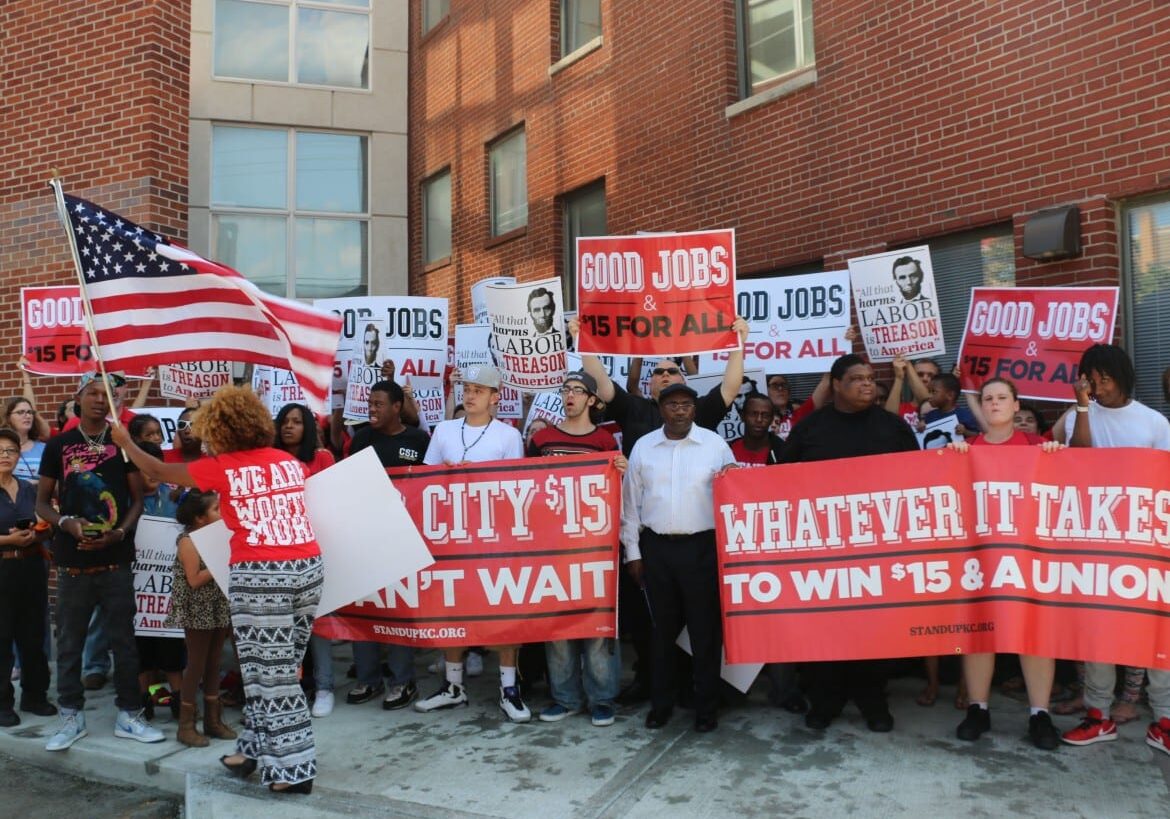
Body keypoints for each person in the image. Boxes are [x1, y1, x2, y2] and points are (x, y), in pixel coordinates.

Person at [111, 386, 323, 793]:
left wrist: (125, 443)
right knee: (268, 672)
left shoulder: (222, 467)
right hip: (308, 570)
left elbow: (156, 472)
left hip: (262, 576)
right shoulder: (289, 462)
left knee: (273, 679)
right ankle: (251, 752)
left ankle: (296, 770)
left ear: (221, 430)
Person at [571, 315, 748, 706]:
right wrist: (583, 339)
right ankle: (654, 690)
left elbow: (732, 385)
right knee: (651, 627)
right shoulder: (634, 410)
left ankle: (700, 697)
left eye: (674, 370)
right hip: (651, 544)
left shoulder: (700, 418)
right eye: (659, 371)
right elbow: (600, 382)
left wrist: (739, 340)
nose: (666, 375)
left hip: (699, 545)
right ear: (650, 387)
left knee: (701, 627)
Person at [782, 354, 920, 732]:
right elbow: (779, 483)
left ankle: (873, 701)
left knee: (873, 632)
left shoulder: (892, 428)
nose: (867, 385)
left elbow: (920, 479)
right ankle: (825, 700)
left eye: (871, 379)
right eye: (857, 379)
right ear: (836, 384)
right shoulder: (810, 429)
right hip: (823, 552)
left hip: (878, 549)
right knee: (826, 631)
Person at [37, 371, 161, 751]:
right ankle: (71, 716)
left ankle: (129, 714)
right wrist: (67, 522)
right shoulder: (59, 445)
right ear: (78, 399)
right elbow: (42, 503)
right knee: (70, 643)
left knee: (124, 642)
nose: (98, 399)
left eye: (105, 394)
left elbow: (137, 501)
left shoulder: (123, 444)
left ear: (114, 403)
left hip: (115, 560)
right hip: (73, 562)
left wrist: (119, 533)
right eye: (91, 393)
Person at [1056, 344, 1170, 755]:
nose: (1099, 386)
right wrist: (1083, 408)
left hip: (1143, 542)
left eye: (1105, 378)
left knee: (1154, 630)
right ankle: (1098, 715)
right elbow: (1079, 460)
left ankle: (1164, 720)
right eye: (1091, 378)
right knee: (1098, 633)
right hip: (1093, 539)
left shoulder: (1153, 422)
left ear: (1122, 376)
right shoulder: (1078, 416)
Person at [945, 377, 1063, 750]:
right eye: (988, 398)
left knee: (1035, 632)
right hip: (981, 556)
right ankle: (978, 708)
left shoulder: (1039, 447)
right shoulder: (966, 449)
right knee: (980, 631)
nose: (994, 403)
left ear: (1016, 406)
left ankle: (1039, 713)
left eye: (1002, 398)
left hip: (1029, 555)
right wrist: (952, 462)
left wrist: (1061, 456)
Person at [415, 366, 528, 721]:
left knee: (504, 610)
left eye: (479, 390)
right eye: (467, 388)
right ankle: (453, 685)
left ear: (495, 397)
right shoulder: (445, 430)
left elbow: (517, 486)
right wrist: (445, 471)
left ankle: (509, 688)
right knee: (453, 608)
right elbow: (423, 479)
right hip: (453, 535)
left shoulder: (508, 436)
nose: (470, 395)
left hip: (495, 537)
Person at [621, 382, 735, 732]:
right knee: (661, 635)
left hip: (702, 549)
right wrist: (634, 554)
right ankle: (661, 705)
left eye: (686, 404)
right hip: (657, 551)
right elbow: (630, 506)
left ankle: (706, 709)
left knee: (704, 634)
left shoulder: (715, 446)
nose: (680, 410)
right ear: (661, 409)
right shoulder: (643, 447)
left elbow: (735, 496)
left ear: (695, 409)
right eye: (673, 404)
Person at [528, 371, 626, 727]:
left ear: (592, 401)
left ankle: (602, 700)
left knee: (596, 627)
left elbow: (617, 494)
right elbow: (521, 485)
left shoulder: (604, 443)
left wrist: (620, 470)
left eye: (577, 390)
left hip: (593, 548)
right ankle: (565, 698)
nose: (569, 395)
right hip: (551, 548)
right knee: (558, 629)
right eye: (565, 389)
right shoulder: (542, 440)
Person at [343, 381, 429, 714]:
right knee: (364, 609)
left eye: (379, 404)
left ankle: (402, 681)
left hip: (403, 539)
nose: (372, 409)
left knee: (397, 611)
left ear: (397, 407)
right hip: (365, 538)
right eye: (370, 403)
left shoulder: (419, 440)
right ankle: (368, 677)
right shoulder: (362, 439)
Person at [271, 403, 338, 719]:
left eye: (296, 422)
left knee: (318, 623)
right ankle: (290, 690)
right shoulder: (268, 459)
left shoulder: (322, 458)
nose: (288, 426)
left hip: (315, 549)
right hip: (277, 551)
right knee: (284, 627)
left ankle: (324, 687)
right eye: (284, 421)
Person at [168, 489, 235, 748]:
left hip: (217, 604)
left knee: (214, 661)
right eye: (216, 509)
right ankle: (186, 725)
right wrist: (223, 562)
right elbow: (194, 579)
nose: (222, 513)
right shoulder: (188, 541)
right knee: (196, 663)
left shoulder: (216, 537)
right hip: (197, 608)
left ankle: (213, 720)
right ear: (199, 518)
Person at [0, 427, 55, 726]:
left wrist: (38, 531)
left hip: (31, 567)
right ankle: (2, 704)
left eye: (10, 450)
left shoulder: (29, 488)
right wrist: (8, 541)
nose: (4, 456)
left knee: (33, 636)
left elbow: (45, 518)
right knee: (1, 637)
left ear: (18, 455)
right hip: (2, 568)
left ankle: (35, 696)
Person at [728, 392, 784, 466]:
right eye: (753, 414)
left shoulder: (783, 451)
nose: (759, 419)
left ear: (771, 419)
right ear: (742, 416)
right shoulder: (728, 450)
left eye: (765, 415)